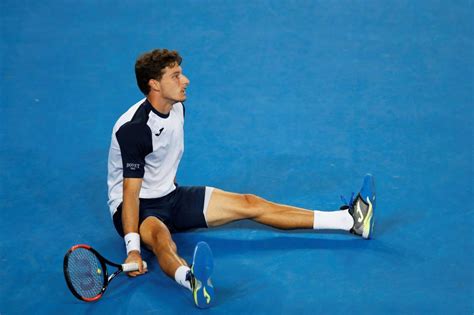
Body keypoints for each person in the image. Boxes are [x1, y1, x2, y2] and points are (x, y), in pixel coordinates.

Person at [107, 48, 376, 309]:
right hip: (137, 208)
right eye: (176, 76)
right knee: (163, 240)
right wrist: (133, 247)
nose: (185, 80)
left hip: (171, 196)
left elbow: (165, 159)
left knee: (249, 202)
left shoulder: (177, 108)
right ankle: (191, 281)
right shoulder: (134, 129)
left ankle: (350, 220)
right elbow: (130, 193)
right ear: (154, 84)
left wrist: (172, 195)